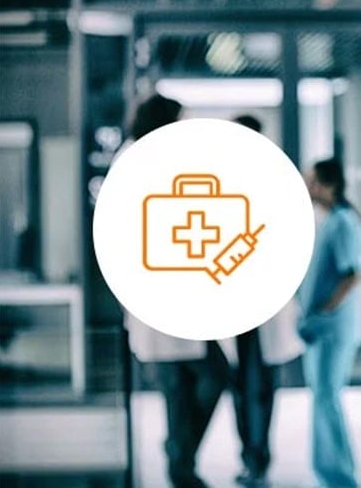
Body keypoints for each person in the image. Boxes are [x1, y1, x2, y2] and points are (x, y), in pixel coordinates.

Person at [121, 93, 229, 488]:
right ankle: (180, 464)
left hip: (179, 297)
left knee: (196, 384)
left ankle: (180, 460)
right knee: (191, 384)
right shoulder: (138, 159)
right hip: (158, 296)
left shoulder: (160, 158)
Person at [228, 113, 305, 488]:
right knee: (245, 387)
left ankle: (256, 459)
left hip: (263, 306)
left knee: (255, 388)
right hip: (235, 305)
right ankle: (252, 457)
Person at [297, 157, 361, 488]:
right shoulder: (328, 221)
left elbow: (351, 276)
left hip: (333, 327)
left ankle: (339, 477)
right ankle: (330, 472)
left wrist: (323, 312)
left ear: (328, 185)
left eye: (312, 181)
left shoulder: (343, 222)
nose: (308, 187)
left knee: (327, 397)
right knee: (323, 397)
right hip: (321, 326)